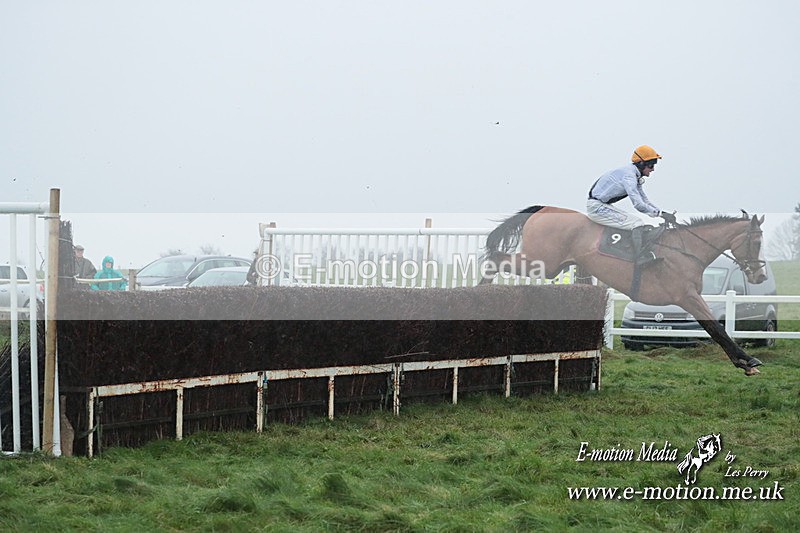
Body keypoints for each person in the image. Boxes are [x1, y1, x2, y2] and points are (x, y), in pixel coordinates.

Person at [587, 145, 678, 265]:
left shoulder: (634, 175)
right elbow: (638, 204)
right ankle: (639, 257)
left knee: (636, 222)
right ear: (641, 164)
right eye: (651, 165)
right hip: (597, 208)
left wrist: (662, 213)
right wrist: (659, 214)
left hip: (601, 205)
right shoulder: (629, 177)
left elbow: (644, 200)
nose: (653, 169)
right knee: (637, 223)